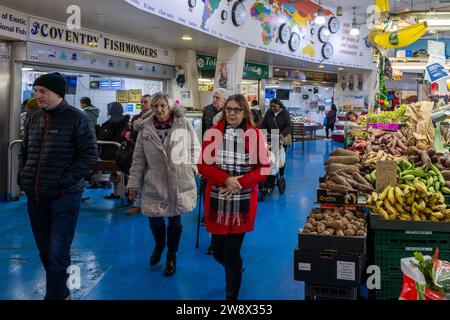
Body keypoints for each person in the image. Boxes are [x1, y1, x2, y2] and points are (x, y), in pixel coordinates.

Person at [17, 72, 98, 300]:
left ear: (58, 93)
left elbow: (89, 156)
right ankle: (61, 291)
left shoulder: (78, 119)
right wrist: (23, 176)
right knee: (44, 250)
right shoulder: (33, 118)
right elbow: (24, 151)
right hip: (35, 196)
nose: (38, 96)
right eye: (36, 91)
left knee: (57, 251)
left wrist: (64, 180)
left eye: (43, 91)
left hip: (65, 196)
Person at [198, 94, 269, 300]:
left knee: (231, 251)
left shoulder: (255, 136)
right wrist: (225, 180)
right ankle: (236, 269)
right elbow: (202, 165)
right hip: (218, 201)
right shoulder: (213, 133)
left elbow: (264, 169)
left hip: (242, 204)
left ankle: (232, 296)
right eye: (228, 109)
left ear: (245, 112)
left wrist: (238, 183)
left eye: (237, 109)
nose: (232, 113)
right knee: (218, 251)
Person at [127, 92, 199, 276]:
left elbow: (195, 148)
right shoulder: (145, 128)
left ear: (170, 107)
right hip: (155, 179)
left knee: (175, 218)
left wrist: (192, 167)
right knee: (154, 215)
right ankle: (159, 245)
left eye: (163, 106)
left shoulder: (184, 123)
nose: (159, 110)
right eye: (155, 106)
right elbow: (138, 158)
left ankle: (172, 256)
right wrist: (133, 184)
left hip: (178, 177)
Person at [122, 94, 152, 216]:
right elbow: (126, 130)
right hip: (137, 151)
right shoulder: (136, 118)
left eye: (145, 102)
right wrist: (126, 134)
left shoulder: (155, 118)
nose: (143, 104)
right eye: (142, 102)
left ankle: (149, 203)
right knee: (138, 178)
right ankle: (137, 204)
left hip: (151, 153)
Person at [96, 102, 130, 199]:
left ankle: (117, 192)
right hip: (124, 152)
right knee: (124, 173)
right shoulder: (125, 120)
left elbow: (104, 137)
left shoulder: (110, 123)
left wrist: (98, 132)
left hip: (111, 153)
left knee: (116, 172)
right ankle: (126, 191)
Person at [259, 98, 292, 177]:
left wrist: (282, 134)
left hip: (281, 138)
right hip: (270, 138)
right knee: (270, 156)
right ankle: (270, 174)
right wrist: (263, 133)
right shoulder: (269, 112)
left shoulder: (285, 113)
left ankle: (281, 174)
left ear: (279, 105)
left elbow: (288, 126)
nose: (272, 108)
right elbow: (263, 124)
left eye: (274, 106)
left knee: (280, 157)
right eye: (271, 107)